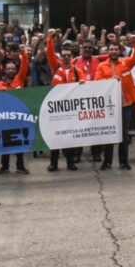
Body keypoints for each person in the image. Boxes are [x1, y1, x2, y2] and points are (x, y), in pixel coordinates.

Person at [93, 33, 135, 170]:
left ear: (119, 51)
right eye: (111, 50)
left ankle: (123, 161)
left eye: (116, 50)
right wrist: (110, 81)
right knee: (109, 134)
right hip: (109, 106)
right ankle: (107, 161)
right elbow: (97, 82)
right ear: (108, 52)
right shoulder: (101, 66)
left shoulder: (126, 62)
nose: (114, 52)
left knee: (124, 134)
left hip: (125, 104)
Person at [44, 30, 83, 171]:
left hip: (71, 108)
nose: (66, 58)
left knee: (70, 137)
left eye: (68, 56)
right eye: (64, 56)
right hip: (56, 107)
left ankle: (70, 162)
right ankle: (53, 162)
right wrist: (50, 38)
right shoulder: (56, 67)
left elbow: (86, 83)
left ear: (72, 57)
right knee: (55, 136)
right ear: (61, 57)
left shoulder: (77, 71)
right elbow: (49, 52)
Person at [0, 48, 31, 174]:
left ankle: (20, 166)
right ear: (4, 70)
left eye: (13, 69)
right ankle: (5, 167)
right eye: (8, 69)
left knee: (19, 143)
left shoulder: (19, 80)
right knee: (5, 144)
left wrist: (22, 53)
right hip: (4, 119)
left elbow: (25, 65)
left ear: (15, 70)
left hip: (18, 118)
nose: (11, 70)